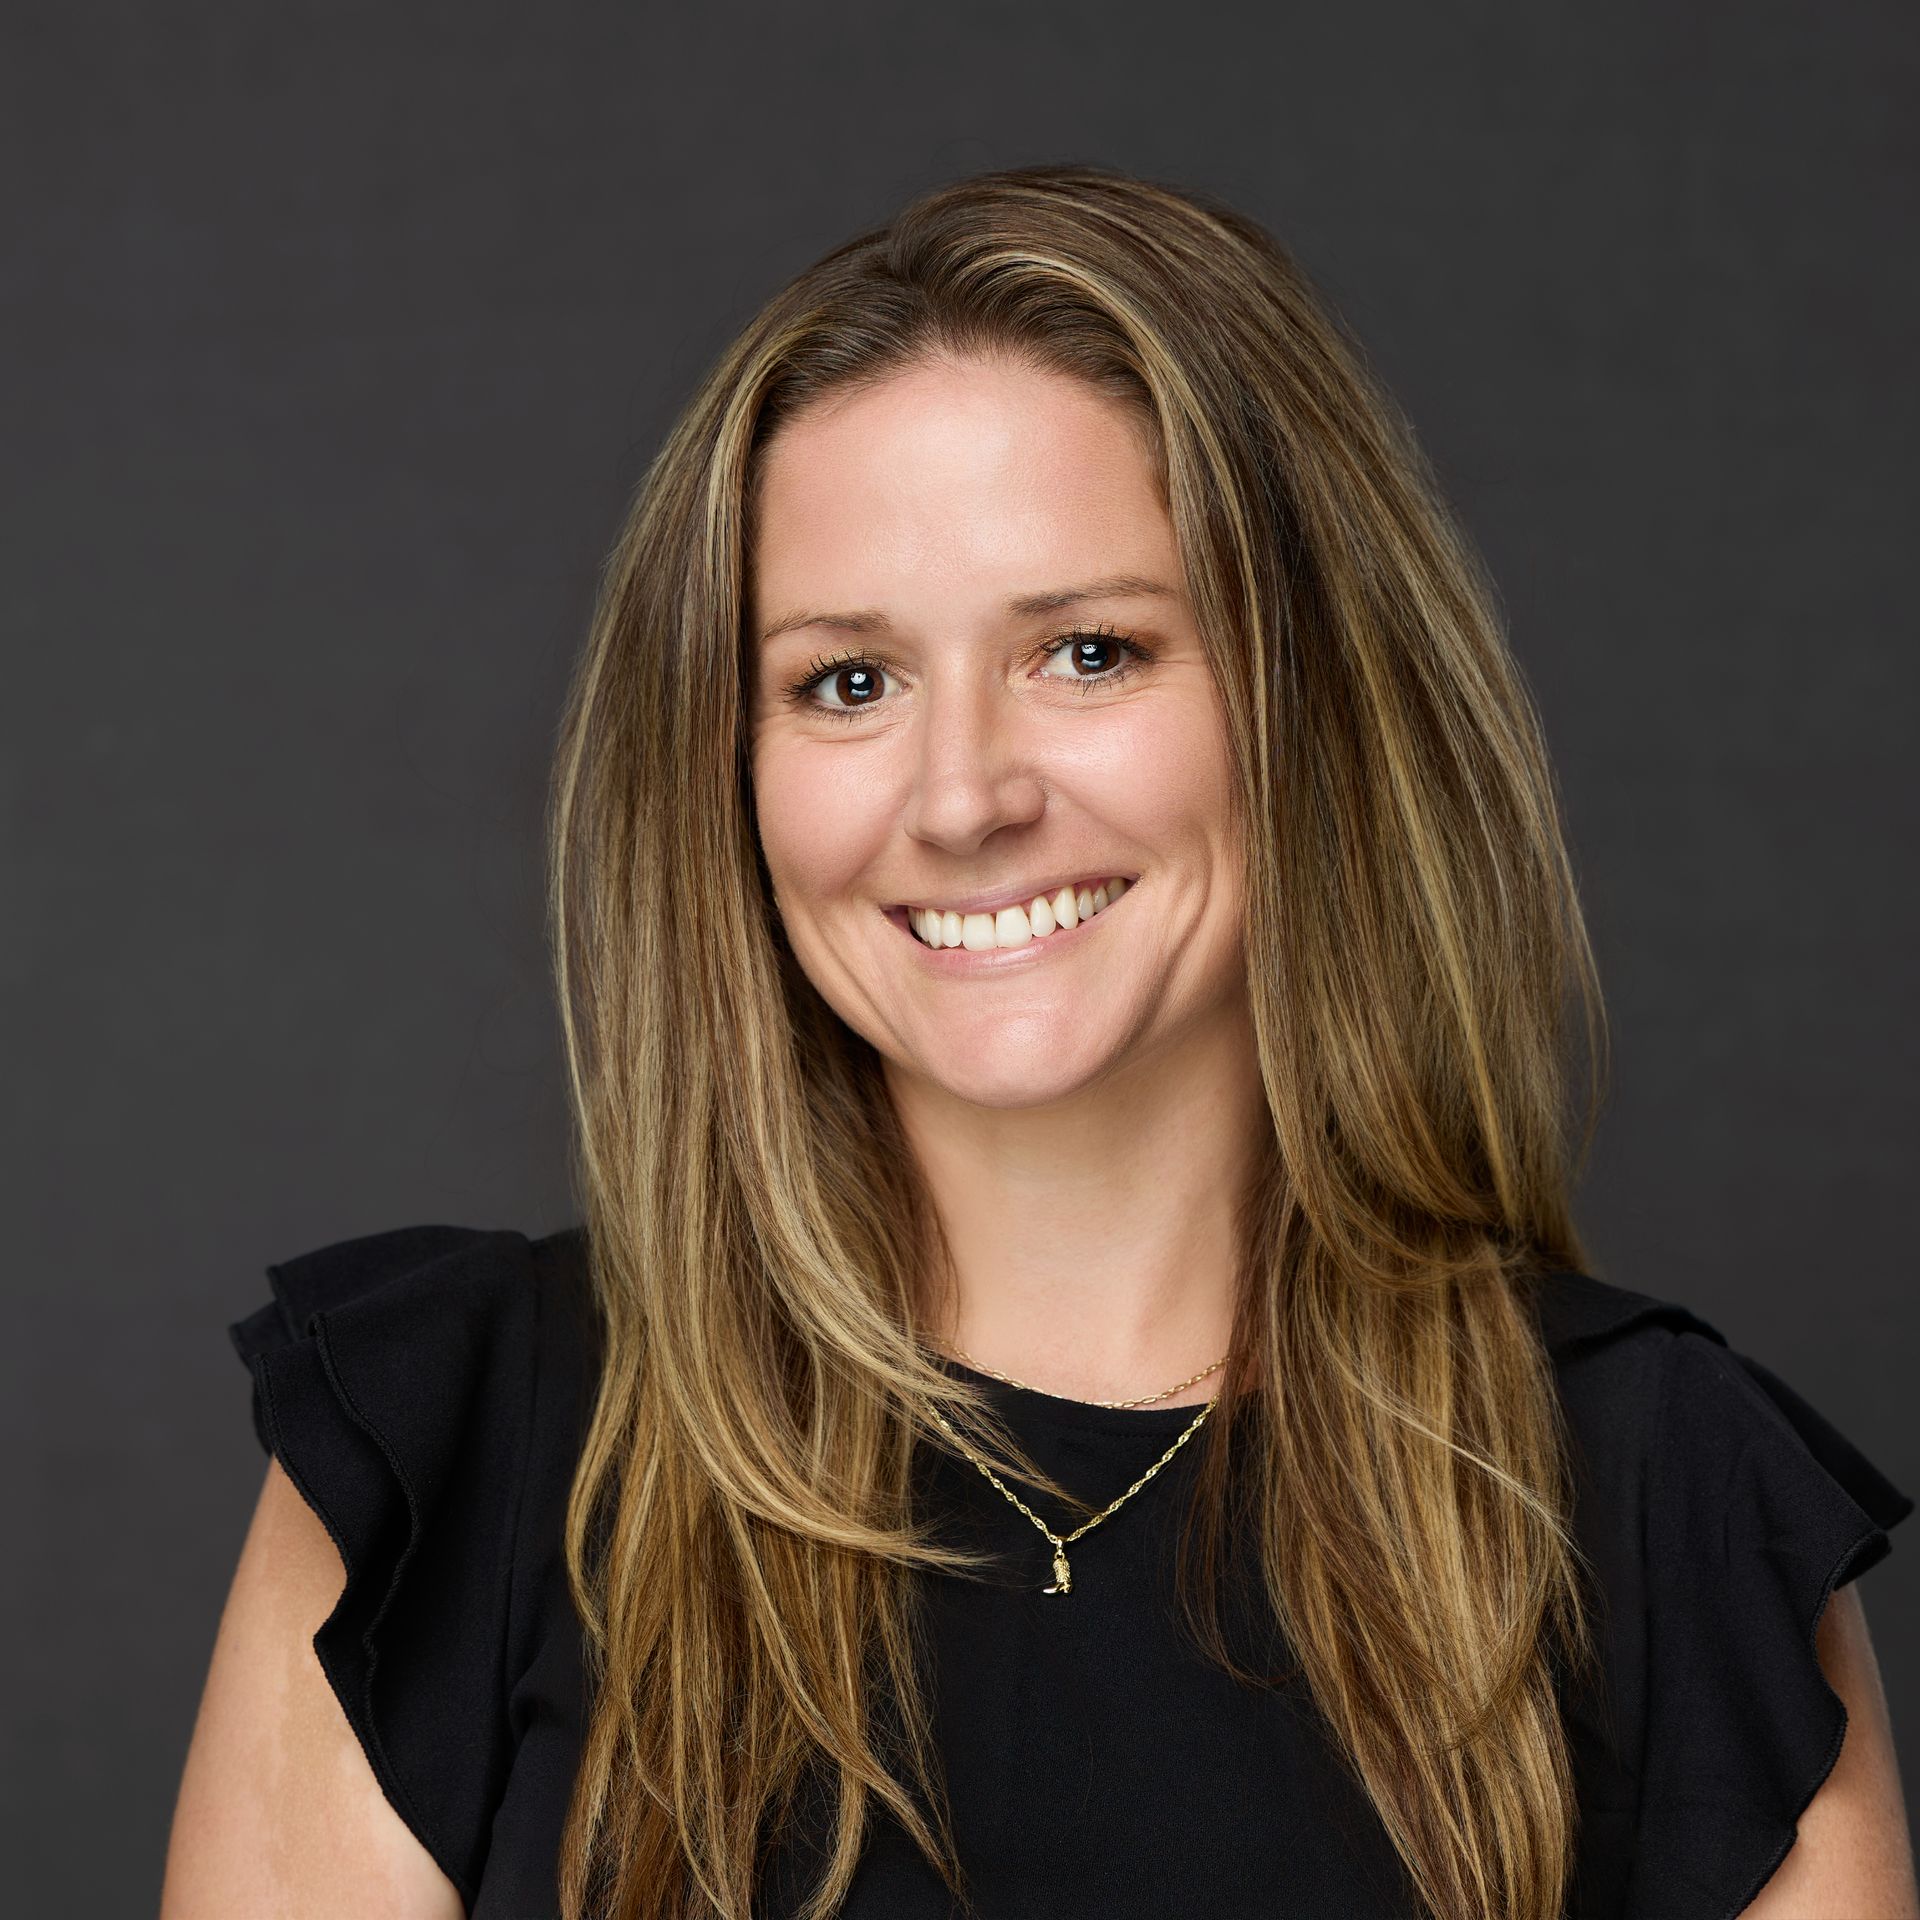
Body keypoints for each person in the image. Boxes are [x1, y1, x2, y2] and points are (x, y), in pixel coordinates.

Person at [160, 163, 1917, 1920]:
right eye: (848, 681)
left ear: (1309, 698)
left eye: (1088, 651)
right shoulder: (448, 1461)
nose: (965, 798)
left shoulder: (1670, 1504)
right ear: (726, 770)